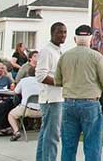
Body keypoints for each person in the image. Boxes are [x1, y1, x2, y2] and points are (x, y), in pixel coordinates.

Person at [56, 25, 103, 161]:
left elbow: (57, 81)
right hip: (90, 104)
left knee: (68, 146)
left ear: (74, 39)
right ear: (91, 39)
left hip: (69, 103)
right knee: (92, 145)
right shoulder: (96, 57)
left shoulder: (65, 56)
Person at [35, 22, 67, 161]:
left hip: (58, 98)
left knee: (45, 135)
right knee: (52, 136)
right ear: (52, 33)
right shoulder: (47, 51)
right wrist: (61, 83)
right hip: (51, 99)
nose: (63, 35)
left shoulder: (58, 51)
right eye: (60, 32)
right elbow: (41, 76)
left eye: (65, 32)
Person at [7, 66, 42, 141]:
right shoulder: (43, 81)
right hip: (42, 110)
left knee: (11, 115)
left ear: (28, 73)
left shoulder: (23, 80)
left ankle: (16, 131)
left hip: (27, 109)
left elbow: (16, 92)